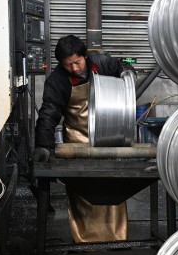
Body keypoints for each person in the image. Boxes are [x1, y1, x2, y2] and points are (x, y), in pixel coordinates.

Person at [33, 34, 132, 243]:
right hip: (78, 144)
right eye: (68, 65)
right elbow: (49, 113)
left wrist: (127, 74)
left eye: (77, 62)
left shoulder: (102, 63)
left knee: (112, 190)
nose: (75, 69)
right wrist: (43, 144)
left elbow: (121, 65)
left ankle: (117, 238)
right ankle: (87, 243)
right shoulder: (58, 80)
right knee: (84, 195)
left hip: (109, 139)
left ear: (85, 56)